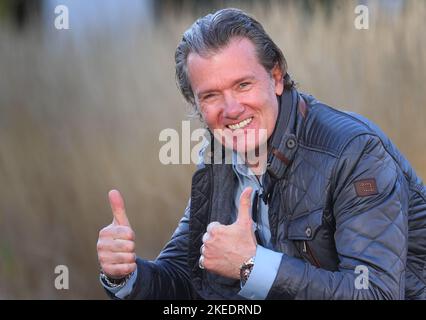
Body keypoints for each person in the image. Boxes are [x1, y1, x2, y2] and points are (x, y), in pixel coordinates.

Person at [96, 8, 426, 300]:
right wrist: (126, 276)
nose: (231, 109)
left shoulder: (355, 152)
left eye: (243, 85)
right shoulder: (218, 157)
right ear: (195, 105)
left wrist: (252, 265)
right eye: (211, 95)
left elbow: (377, 292)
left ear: (277, 77)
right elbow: (186, 278)